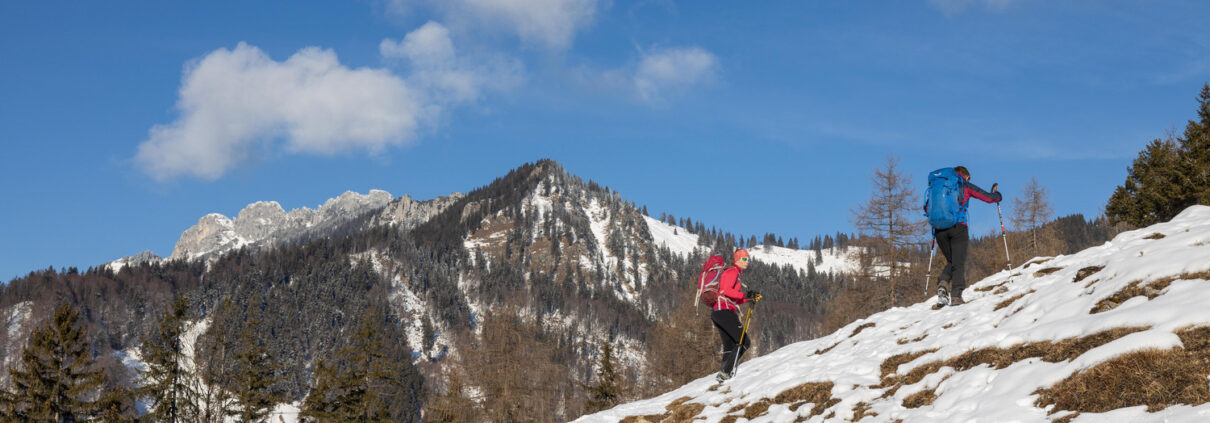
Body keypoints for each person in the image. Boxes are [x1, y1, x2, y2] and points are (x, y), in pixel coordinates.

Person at [924, 166, 1001, 306]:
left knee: (952, 261)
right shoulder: (963, 184)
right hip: (958, 227)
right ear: (965, 175)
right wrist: (997, 196)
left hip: (939, 229)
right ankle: (956, 296)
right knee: (958, 263)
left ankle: (943, 283)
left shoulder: (937, 186)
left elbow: (926, 207)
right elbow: (987, 197)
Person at [711, 249, 760, 382]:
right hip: (724, 311)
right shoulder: (732, 271)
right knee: (744, 341)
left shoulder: (735, 274)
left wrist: (748, 299)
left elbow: (734, 298)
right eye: (744, 259)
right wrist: (745, 295)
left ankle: (723, 375)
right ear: (737, 259)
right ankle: (726, 372)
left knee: (730, 346)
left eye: (749, 259)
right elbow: (725, 290)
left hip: (719, 312)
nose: (747, 262)